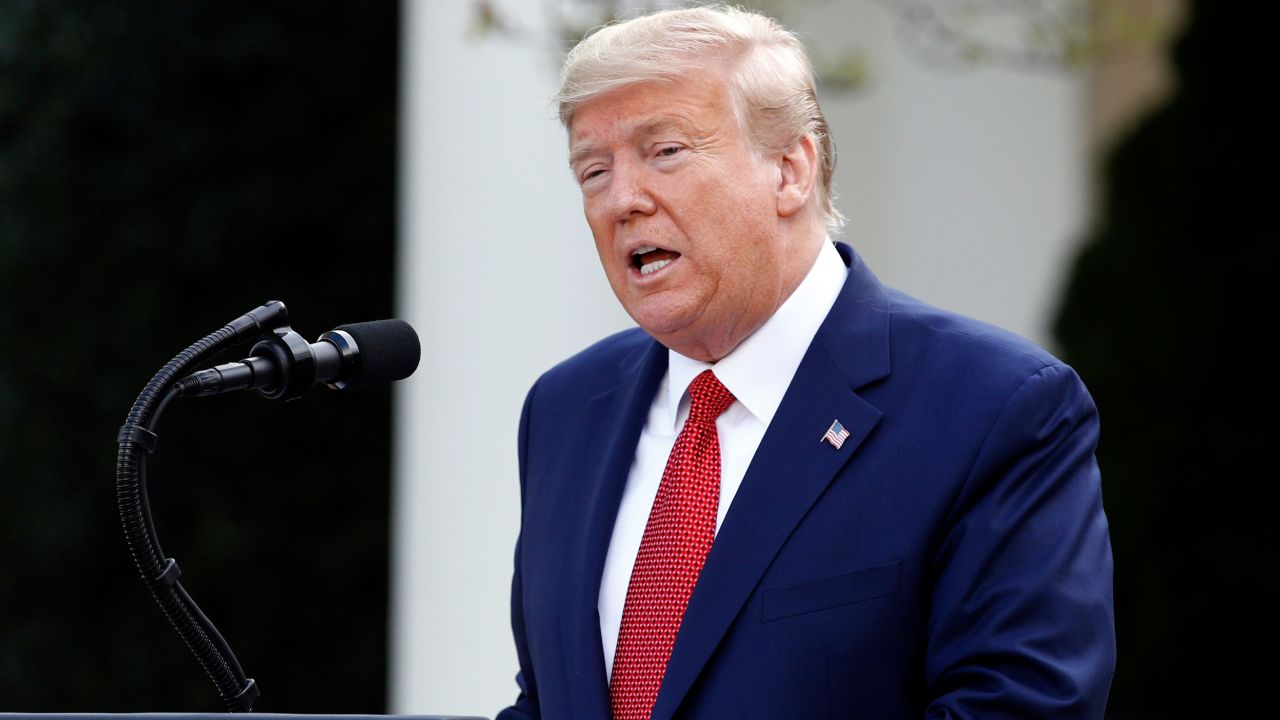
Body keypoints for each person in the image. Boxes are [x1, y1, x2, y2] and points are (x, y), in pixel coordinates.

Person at [497, 6, 1115, 719]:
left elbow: (1020, 708)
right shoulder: (568, 408)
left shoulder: (992, 407)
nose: (623, 200)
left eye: (664, 151)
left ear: (791, 169)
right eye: (593, 170)